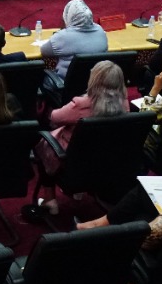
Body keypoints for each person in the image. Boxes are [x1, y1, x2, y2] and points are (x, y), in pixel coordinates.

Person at [34, 60, 128, 214]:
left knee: (43, 143)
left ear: (93, 80)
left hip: (74, 162)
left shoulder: (81, 104)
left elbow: (54, 117)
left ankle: (50, 201)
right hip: (107, 161)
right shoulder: (124, 104)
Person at [39, 0, 108, 80]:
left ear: (68, 16)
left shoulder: (62, 36)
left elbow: (44, 51)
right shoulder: (101, 31)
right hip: (95, 82)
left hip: (65, 82)